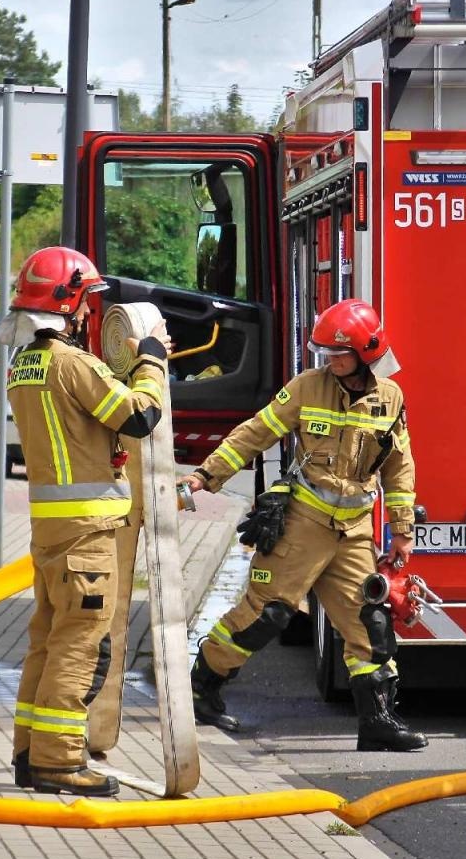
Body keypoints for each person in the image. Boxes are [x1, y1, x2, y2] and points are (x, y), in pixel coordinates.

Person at [180, 299, 426, 752]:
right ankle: (201, 688)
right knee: (266, 614)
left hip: (353, 531)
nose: (330, 361)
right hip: (303, 523)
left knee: (369, 624)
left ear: (367, 352)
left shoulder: (390, 398)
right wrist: (205, 475)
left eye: (339, 353)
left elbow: (399, 466)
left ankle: (378, 722)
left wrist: (403, 530)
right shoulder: (308, 387)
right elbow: (256, 432)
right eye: (325, 353)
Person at [2, 245, 169, 797]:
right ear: (68, 303)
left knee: (47, 641)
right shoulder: (73, 365)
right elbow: (139, 417)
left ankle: (29, 753)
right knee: (81, 645)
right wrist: (151, 360)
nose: (87, 312)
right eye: (84, 301)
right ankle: (58, 761)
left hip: (52, 534)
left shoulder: (23, 365)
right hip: (87, 535)